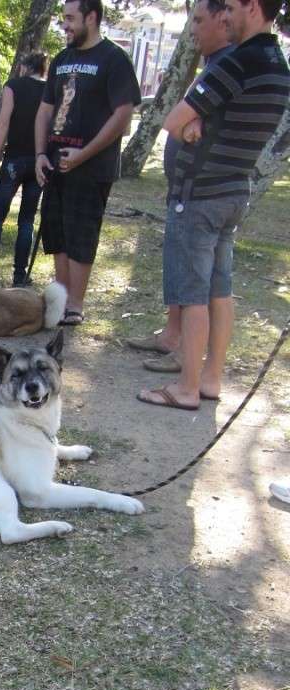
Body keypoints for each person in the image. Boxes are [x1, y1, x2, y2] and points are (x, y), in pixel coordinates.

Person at [138, 0, 290, 411]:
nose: (226, 16)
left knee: (192, 296)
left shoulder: (237, 62)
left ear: (253, 7)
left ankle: (186, 388)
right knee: (220, 291)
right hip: (233, 191)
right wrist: (199, 123)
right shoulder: (277, 64)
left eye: (233, 8)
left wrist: (191, 126)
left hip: (201, 195)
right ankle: (210, 378)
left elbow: (173, 120)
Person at [127, 0, 234, 372]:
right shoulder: (213, 64)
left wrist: (187, 124)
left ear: (224, 20)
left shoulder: (229, 64)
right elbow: (184, 123)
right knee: (178, 263)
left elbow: (183, 121)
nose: (193, 30)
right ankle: (172, 335)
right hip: (184, 188)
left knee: (199, 279)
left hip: (205, 193)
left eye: (200, 21)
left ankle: (186, 354)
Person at [34, 0, 141, 325]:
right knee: (58, 233)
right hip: (56, 160)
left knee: (81, 233)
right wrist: (40, 153)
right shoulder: (62, 59)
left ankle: (75, 305)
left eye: (70, 18)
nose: (64, 25)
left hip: (92, 165)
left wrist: (85, 154)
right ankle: (62, 300)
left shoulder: (113, 59)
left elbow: (123, 115)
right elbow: (45, 110)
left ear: (91, 18)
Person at [0, 52, 49, 286]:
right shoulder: (49, 89)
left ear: (25, 67)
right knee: (26, 221)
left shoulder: (13, 86)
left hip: (14, 159)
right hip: (38, 160)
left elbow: (4, 122)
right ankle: (19, 275)